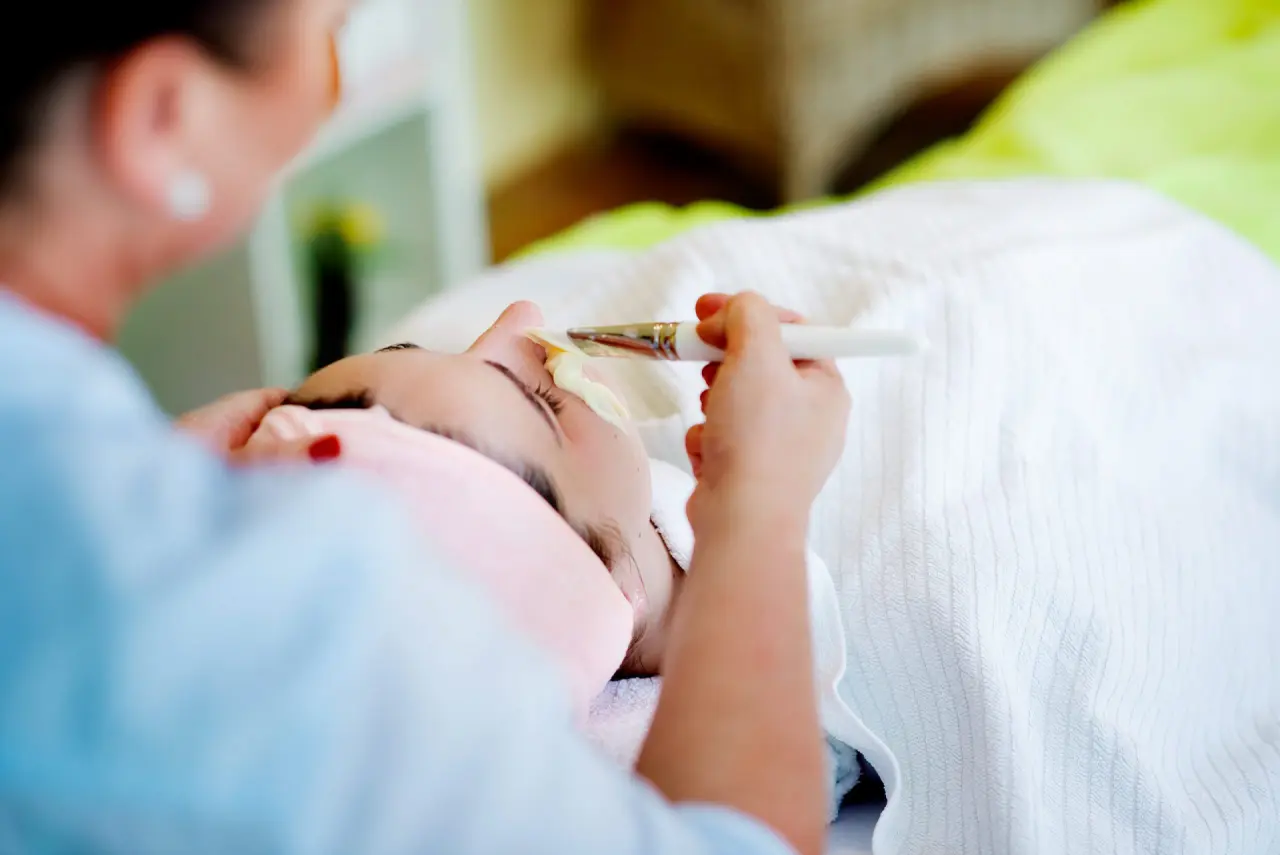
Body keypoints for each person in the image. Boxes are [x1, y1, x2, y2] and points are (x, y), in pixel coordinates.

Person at [0, 3, 850, 854]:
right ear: (161, 117)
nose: (522, 321)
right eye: (332, 33)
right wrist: (759, 505)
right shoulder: (276, 620)